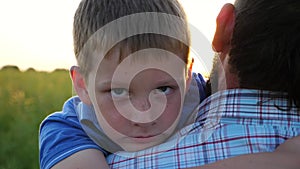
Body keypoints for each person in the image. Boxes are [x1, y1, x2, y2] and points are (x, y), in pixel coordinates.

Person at [39, 0, 300, 169]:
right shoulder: (69, 127)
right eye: (117, 91)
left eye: (164, 89)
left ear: (187, 76)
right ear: (83, 86)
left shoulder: (201, 93)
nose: (143, 113)